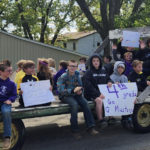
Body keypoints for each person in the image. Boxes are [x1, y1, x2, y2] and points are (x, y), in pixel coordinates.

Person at [57, 60, 99, 139]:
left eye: (74, 66)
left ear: (77, 67)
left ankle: (91, 127)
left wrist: (80, 91)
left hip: (76, 95)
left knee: (85, 103)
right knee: (74, 104)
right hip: (66, 96)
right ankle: (75, 130)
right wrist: (72, 91)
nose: (73, 68)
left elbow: (81, 87)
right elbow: (61, 91)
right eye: (71, 66)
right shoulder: (63, 76)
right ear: (68, 67)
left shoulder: (78, 76)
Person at [83, 53, 120, 128]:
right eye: (94, 61)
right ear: (91, 62)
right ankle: (100, 120)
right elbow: (87, 86)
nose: (96, 62)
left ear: (100, 62)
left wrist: (110, 82)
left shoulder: (103, 71)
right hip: (91, 94)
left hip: (103, 93)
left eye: (97, 60)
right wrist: (97, 94)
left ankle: (111, 119)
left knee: (110, 97)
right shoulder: (88, 72)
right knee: (99, 100)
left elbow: (108, 79)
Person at [110, 61, 133, 129]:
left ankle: (129, 118)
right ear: (115, 68)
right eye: (118, 67)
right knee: (123, 102)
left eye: (122, 68)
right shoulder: (112, 77)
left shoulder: (125, 77)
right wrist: (114, 85)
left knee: (128, 101)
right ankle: (124, 119)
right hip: (115, 96)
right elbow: (109, 88)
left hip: (123, 95)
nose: (120, 69)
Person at [0, 60, 17, 149]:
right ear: (1, 72)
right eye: (8, 71)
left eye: (11, 70)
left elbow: (14, 95)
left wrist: (10, 100)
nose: (11, 72)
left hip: (5, 102)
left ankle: (7, 137)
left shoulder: (12, 83)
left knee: (6, 112)